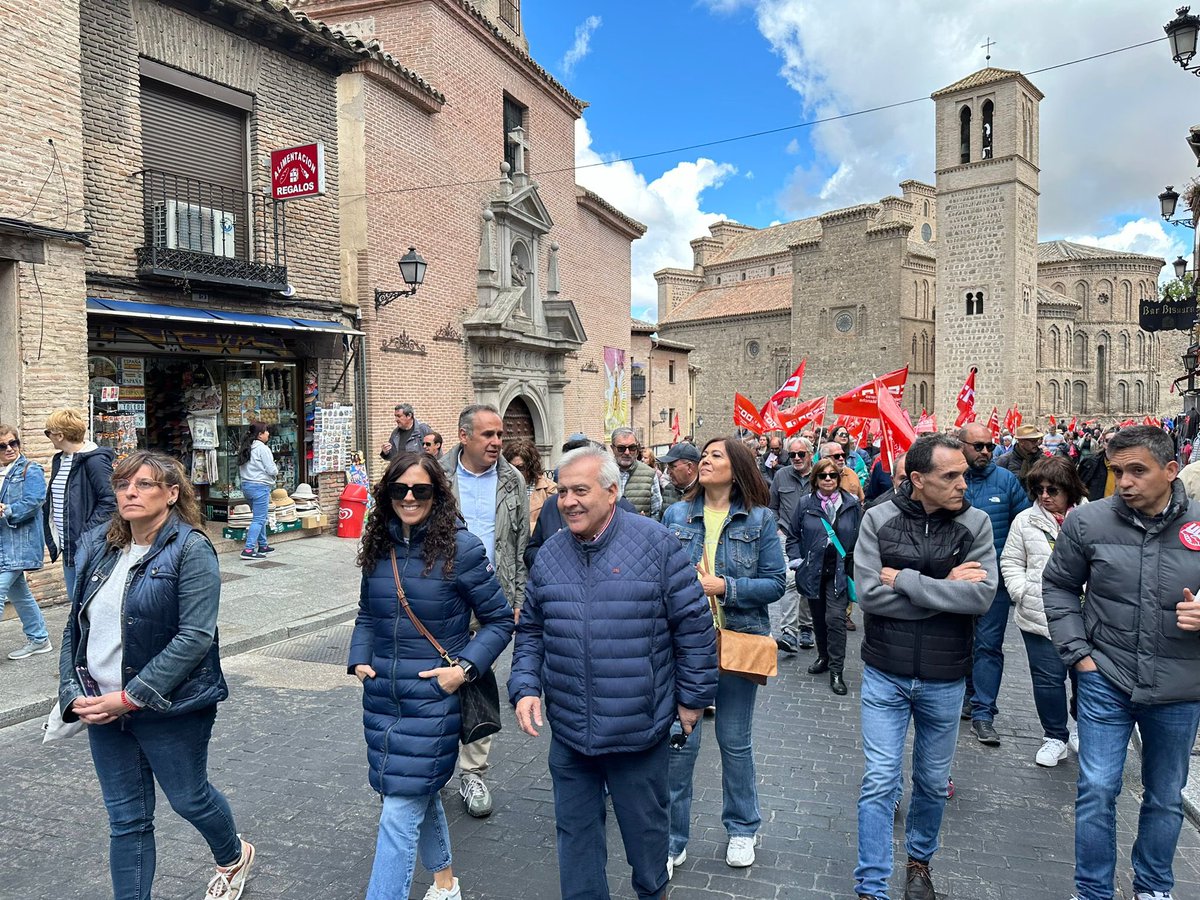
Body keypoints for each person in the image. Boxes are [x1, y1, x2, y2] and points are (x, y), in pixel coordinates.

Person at [509, 445, 717, 900]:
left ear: (611, 491)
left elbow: (695, 627)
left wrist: (692, 699)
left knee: (646, 843)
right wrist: (524, 686)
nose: (567, 501)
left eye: (579, 490)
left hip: (637, 731)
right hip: (570, 733)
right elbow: (531, 632)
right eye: (561, 491)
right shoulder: (549, 554)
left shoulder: (657, 544)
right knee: (576, 841)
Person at [57, 451, 254, 900]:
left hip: (171, 706)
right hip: (103, 710)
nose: (130, 492)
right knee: (126, 820)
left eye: (144, 484)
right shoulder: (100, 547)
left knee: (188, 798)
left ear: (171, 493)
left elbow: (195, 638)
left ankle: (233, 855)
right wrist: (73, 695)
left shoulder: (191, 548)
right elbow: (76, 628)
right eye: (124, 483)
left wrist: (130, 697)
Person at [1042, 425, 1200, 900]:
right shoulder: (1087, 522)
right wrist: (1079, 656)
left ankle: (1153, 887)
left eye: (1137, 471)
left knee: (1165, 795)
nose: (1124, 481)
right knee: (1096, 788)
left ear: (1171, 472)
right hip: (1105, 678)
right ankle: (1092, 890)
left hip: (1179, 686)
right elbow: (1058, 587)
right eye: (1116, 471)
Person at [349, 452, 515, 900]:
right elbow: (368, 611)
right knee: (411, 791)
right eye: (399, 489)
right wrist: (359, 656)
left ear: (437, 495)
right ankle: (445, 883)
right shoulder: (378, 545)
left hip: (433, 696)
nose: (408, 497)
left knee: (399, 810)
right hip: (382, 694)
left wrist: (461, 670)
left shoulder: (462, 550)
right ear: (386, 495)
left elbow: (500, 620)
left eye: (420, 490)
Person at [852, 434, 997, 900]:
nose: (963, 484)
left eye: (964, 474)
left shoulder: (976, 524)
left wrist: (910, 582)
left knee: (933, 784)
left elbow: (979, 597)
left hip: (945, 676)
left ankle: (919, 863)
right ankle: (871, 884)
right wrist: (944, 590)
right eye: (950, 476)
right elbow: (871, 597)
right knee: (879, 780)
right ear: (918, 480)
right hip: (885, 673)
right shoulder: (878, 518)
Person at [662, 437, 786, 872]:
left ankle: (742, 828)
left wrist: (724, 587)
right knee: (681, 745)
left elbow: (775, 583)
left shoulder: (760, 519)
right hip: (686, 645)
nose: (705, 461)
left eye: (715, 455)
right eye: (704, 455)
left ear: (737, 467)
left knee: (734, 742)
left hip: (738, 641)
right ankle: (673, 839)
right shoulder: (676, 514)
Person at [441, 404, 528, 818]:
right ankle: (435, 766)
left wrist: (517, 601)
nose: (497, 442)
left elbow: (520, 546)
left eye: (499, 435)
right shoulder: (435, 477)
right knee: (437, 678)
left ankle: (473, 771)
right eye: (488, 435)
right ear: (463, 435)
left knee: (476, 680)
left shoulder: (513, 481)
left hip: (491, 599)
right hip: (440, 597)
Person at [1000, 456, 1086, 767]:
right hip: (1039, 613)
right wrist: (1022, 591)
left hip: (1084, 615)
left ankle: (1079, 726)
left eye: (1052, 490)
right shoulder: (1025, 520)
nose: (1045, 496)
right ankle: (1055, 736)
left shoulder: (1090, 517)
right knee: (1048, 679)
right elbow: (1011, 562)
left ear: (1069, 490)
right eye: (1039, 490)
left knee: (1084, 677)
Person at [958, 423, 1030, 745]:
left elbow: (1024, 526)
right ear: (962, 446)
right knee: (960, 642)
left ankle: (984, 712)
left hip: (994, 584)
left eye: (989, 446)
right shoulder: (949, 479)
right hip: (954, 582)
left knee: (988, 646)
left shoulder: (1007, 481)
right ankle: (966, 695)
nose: (986, 451)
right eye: (978, 446)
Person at [787, 456, 862, 694]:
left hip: (839, 569)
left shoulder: (850, 503)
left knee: (836, 619)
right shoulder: (805, 503)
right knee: (818, 618)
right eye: (823, 475)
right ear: (815, 479)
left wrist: (856, 565)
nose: (828, 479)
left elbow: (861, 537)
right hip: (813, 569)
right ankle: (823, 657)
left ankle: (837, 670)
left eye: (832, 475)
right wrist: (798, 560)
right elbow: (793, 536)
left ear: (839, 479)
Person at [42, 407, 116, 599]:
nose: (47, 436)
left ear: (59, 435)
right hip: (70, 546)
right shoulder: (60, 459)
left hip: (88, 546)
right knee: (75, 601)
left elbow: (110, 501)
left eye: (47, 432)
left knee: (86, 602)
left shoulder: (95, 461)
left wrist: (86, 533)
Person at [0, 424, 52, 660]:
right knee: (20, 594)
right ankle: (39, 639)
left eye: (13, 443)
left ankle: (39, 638)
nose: (9, 449)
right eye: (2, 446)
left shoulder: (30, 470)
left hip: (18, 544)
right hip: (4, 544)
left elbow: (34, 502)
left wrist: (8, 510)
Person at [770, 437, 816, 653]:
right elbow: (772, 506)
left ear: (810, 454)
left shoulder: (821, 474)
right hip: (787, 537)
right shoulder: (781, 475)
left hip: (814, 538)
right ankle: (789, 631)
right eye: (792, 454)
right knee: (790, 579)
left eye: (801, 454)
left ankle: (806, 627)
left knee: (807, 582)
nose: (796, 458)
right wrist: (778, 528)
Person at [236, 422, 277, 561]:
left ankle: (263, 545)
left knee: (260, 516)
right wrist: (275, 472)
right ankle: (248, 549)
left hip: (247, 486)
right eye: (266, 431)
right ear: (260, 434)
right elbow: (271, 469)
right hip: (260, 486)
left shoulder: (246, 447)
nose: (268, 434)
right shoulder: (262, 449)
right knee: (259, 518)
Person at [503, 439, 557, 532]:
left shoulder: (549, 489)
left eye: (521, 468)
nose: (515, 472)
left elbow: (553, 523)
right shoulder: (501, 488)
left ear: (531, 466)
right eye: (511, 468)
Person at [610, 427, 662, 518]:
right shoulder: (602, 472)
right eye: (621, 448)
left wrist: (644, 525)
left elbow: (657, 513)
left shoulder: (649, 474)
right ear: (612, 448)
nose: (627, 452)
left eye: (632, 447)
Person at [1076, 428, 1119, 501]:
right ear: (1103, 443)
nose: (1112, 444)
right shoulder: (1090, 462)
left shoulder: (1128, 465)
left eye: (1115, 441)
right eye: (1108, 441)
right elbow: (1079, 485)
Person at [660, 442, 700, 509]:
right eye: (668, 467)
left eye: (672, 467)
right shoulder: (669, 489)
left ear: (689, 467)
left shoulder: (706, 492)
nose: (668, 472)